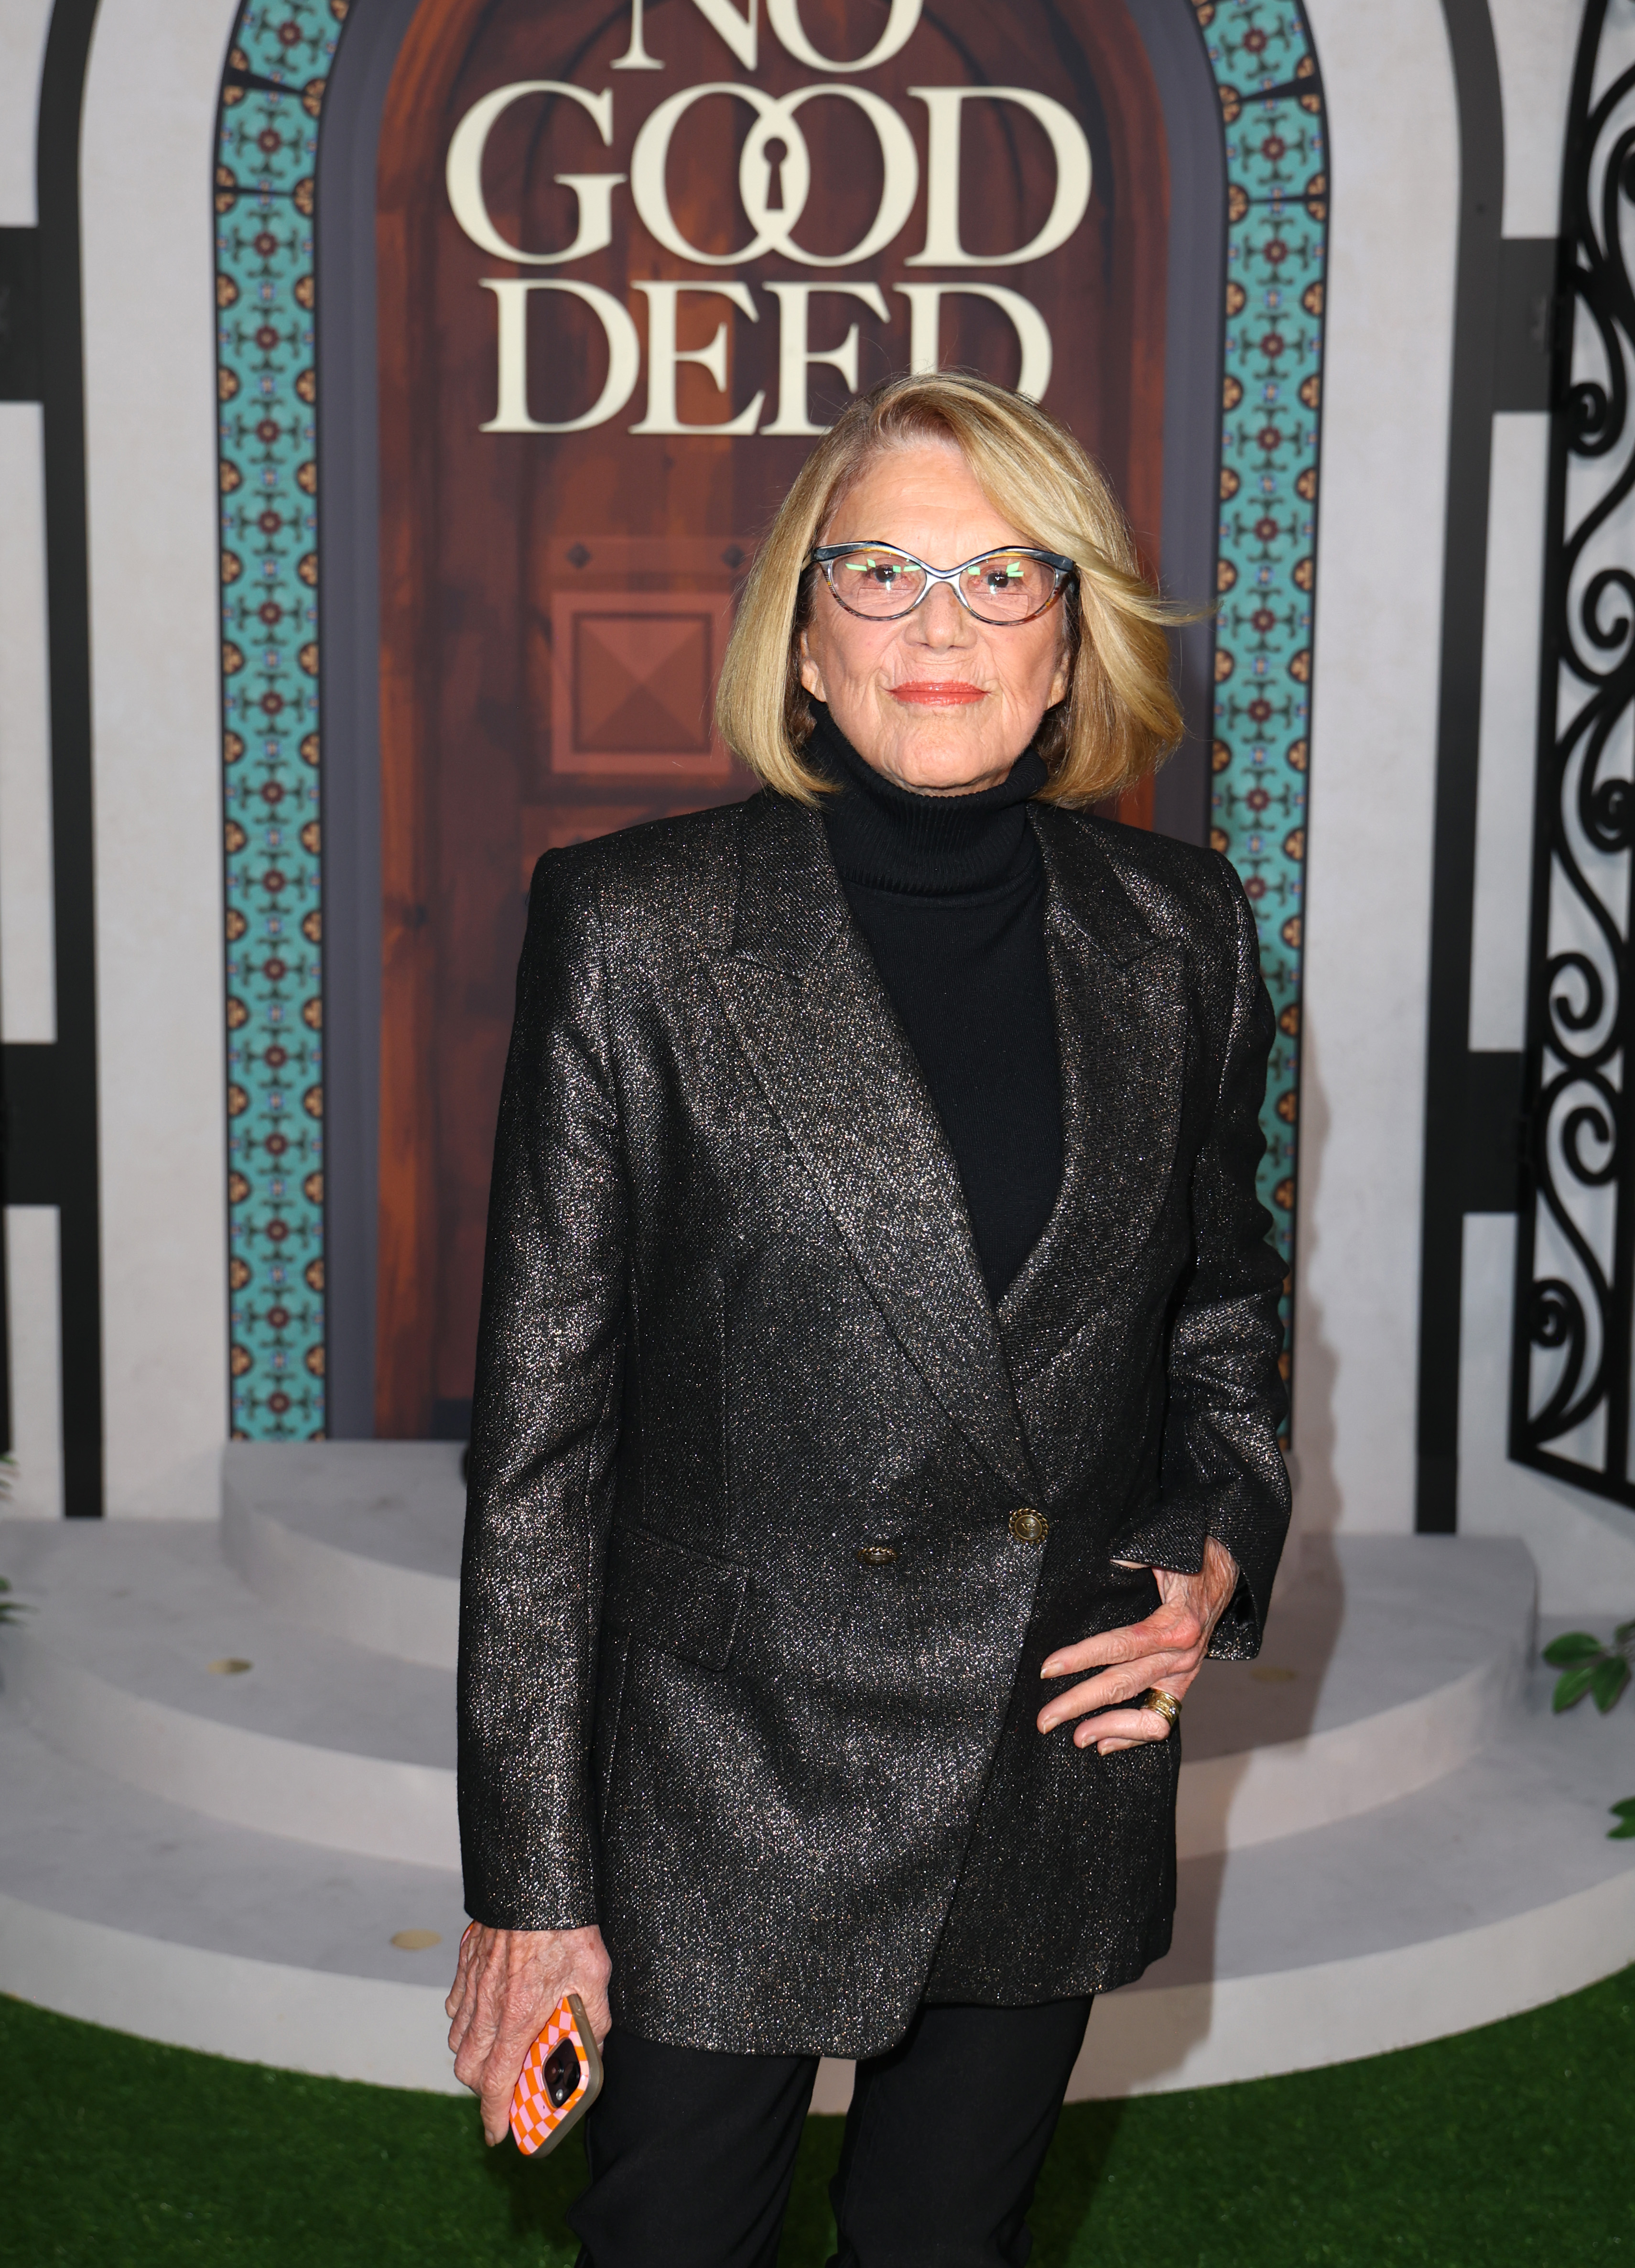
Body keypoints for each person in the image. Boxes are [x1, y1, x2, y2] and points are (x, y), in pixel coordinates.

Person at [445, 370, 1289, 2266]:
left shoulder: (1185, 932)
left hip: (1045, 1739)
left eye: (1003, 577)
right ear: (803, 638)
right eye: (882, 573)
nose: (938, 625)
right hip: (719, 1762)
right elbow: (540, 1456)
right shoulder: (634, 928)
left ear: (1066, 644)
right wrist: (531, 1879)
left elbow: (1220, 1317)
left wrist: (1202, 1556)